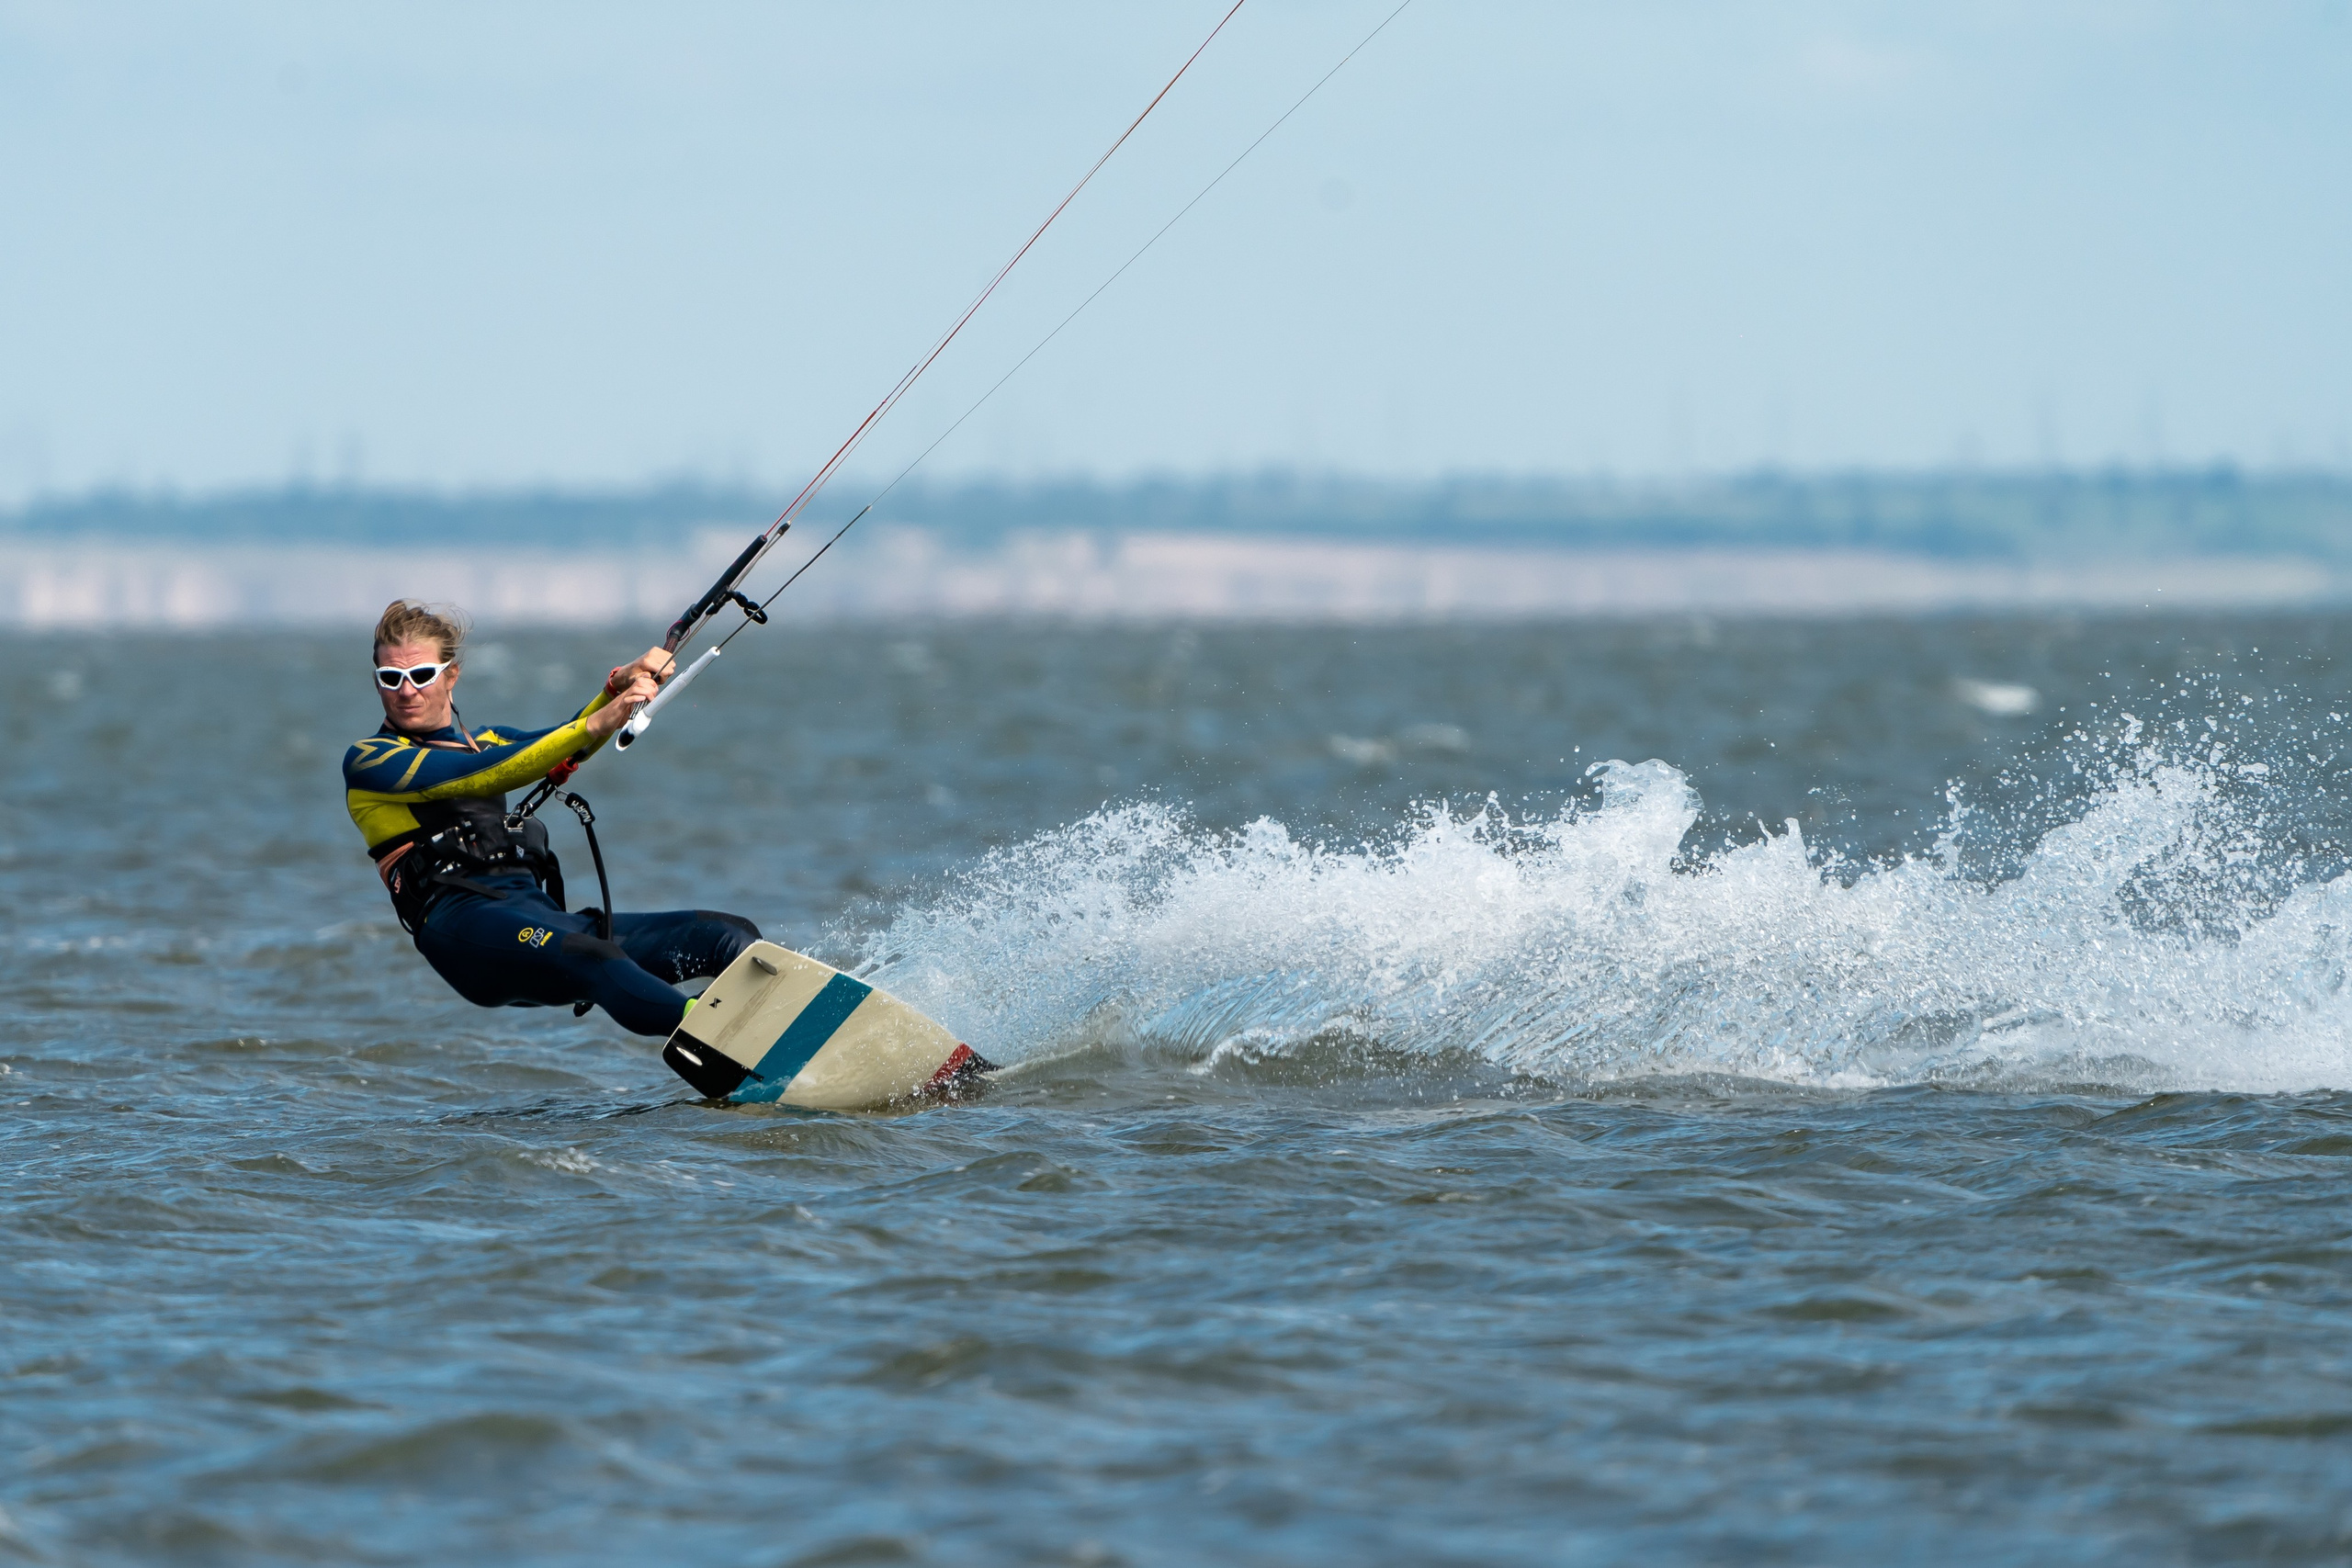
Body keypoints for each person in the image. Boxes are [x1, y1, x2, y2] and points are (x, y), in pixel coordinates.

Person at [344, 599, 760, 1036]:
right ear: (377, 684)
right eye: (391, 678)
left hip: (538, 917)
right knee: (596, 957)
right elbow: (482, 773)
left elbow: (563, 743)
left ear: (451, 675)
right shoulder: (371, 761)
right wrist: (598, 721)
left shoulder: (489, 741)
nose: (406, 691)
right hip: (465, 934)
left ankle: (783, 1033)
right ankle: (714, 1037)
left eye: (420, 675)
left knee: (727, 937)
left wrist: (617, 685)